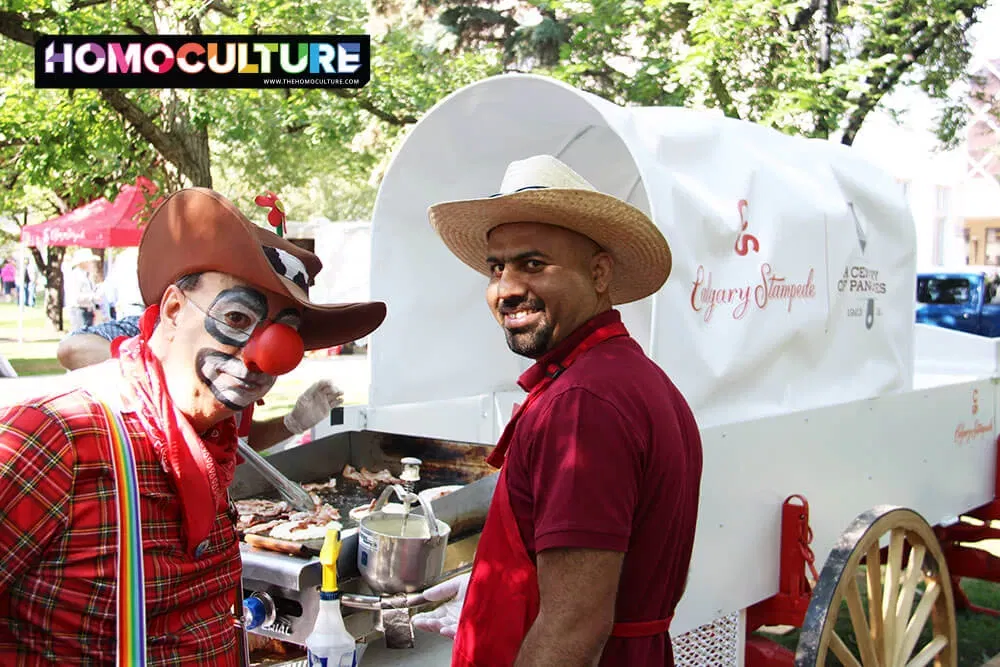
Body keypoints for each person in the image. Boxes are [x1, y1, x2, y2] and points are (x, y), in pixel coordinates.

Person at [0, 188, 387, 664]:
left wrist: (289, 422)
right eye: (236, 317)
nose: (264, 357)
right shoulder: (57, 436)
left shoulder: (213, 440)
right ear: (173, 310)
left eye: (283, 336)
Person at [412, 155, 703, 666]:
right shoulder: (615, 375)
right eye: (496, 268)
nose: (506, 290)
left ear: (598, 272)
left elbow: (575, 626)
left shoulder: (582, 404)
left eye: (533, 264)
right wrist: (492, 594)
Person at [55, 314, 341, 451]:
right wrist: (153, 364)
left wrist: (292, 423)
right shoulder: (159, 325)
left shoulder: (251, 362)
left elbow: (240, 441)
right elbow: (71, 350)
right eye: (237, 318)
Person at [63, 248, 100, 329]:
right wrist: (93, 297)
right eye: (89, 261)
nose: (91, 263)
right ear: (83, 262)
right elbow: (76, 297)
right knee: (82, 337)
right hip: (79, 311)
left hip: (86, 310)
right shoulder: (76, 276)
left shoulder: (86, 275)